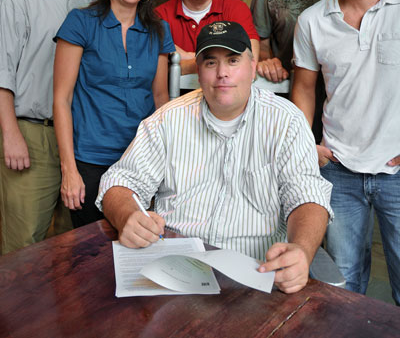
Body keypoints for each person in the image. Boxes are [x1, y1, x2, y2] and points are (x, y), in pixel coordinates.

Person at [96, 21, 333, 294]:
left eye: (233, 60)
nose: (222, 73)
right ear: (198, 71)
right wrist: (127, 216)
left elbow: (307, 196)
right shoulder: (168, 119)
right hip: (176, 271)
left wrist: (301, 250)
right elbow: (120, 181)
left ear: (253, 67)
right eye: (211, 63)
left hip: (254, 274)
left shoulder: (286, 121)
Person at [291, 0, 400, 305]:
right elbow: (303, 88)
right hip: (337, 170)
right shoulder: (313, 20)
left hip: (396, 170)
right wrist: (308, 146)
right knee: (344, 285)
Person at [53, 0, 175, 229]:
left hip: (140, 161)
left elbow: (160, 98)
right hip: (90, 161)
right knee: (90, 254)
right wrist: (69, 169)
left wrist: (170, 162)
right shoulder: (80, 22)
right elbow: (61, 99)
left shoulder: (159, 29)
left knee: (136, 246)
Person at [0, 0, 91, 254]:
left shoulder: (95, 1)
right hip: (31, 136)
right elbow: (2, 71)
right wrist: (11, 136)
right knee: (23, 249)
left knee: (74, 247)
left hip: (80, 139)